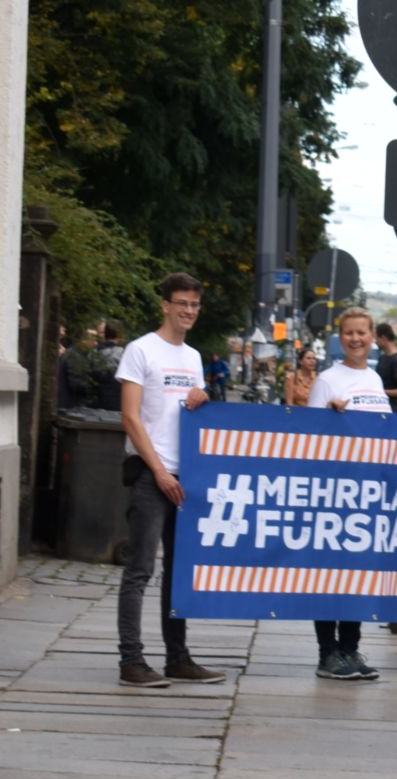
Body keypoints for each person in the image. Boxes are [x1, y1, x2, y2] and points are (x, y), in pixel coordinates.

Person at [115, 273, 224, 689]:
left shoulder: (194, 358)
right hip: (150, 474)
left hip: (186, 476)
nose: (189, 311)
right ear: (165, 304)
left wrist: (202, 398)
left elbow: (190, 410)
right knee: (140, 569)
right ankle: (132, 660)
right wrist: (158, 470)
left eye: (195, 305)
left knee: (179, 572)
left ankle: (177, 656)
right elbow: (131, 416)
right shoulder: (140, 350)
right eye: (182, 303)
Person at [304, 308, 391, 682]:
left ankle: (351, 648)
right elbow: (308, 436)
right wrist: (329, 413)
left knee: (357, 574)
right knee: (328, 575)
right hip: (334, 494)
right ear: (340, 338)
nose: (356, 339)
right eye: (349, 333)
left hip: (368, 494)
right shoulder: (327, 379)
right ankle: (328, 653)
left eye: (362, 332)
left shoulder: (374, 378)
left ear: (372, 337)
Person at [375, 322, 397, 411]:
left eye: (376, 339)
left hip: (393, 410)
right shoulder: (382, 358)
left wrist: (381, 392)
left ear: (383, 338)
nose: (375, 342)